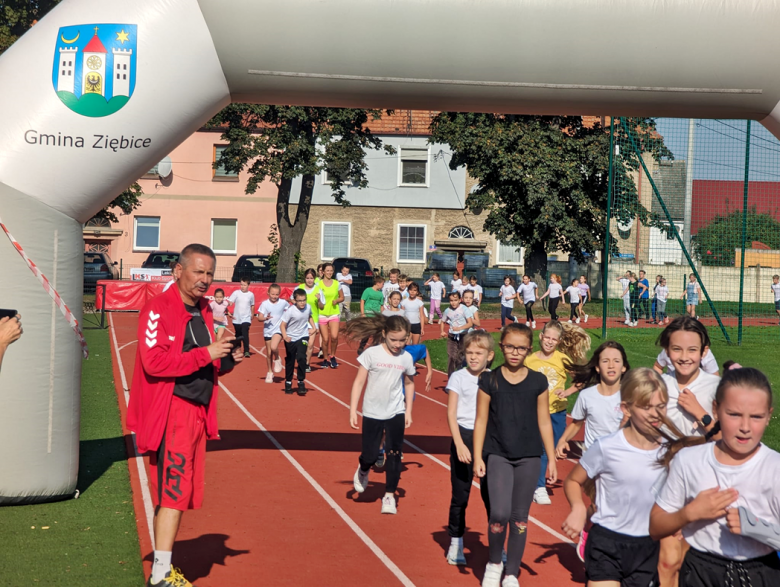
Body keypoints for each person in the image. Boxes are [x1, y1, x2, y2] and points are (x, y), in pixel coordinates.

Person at [127, 244, 244, 587]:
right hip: (171, 412)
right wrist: (207, 353)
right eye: (198, 271)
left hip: (196, 411)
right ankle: (161, 575)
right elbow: (155, 363)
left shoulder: (206, 310)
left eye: (209, 273)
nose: (205, 280)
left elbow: (206, 364)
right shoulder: (157, 309)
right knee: (174, 490)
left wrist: (227, 358)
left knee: (172, 492)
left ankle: (162, 566)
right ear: (178, 271)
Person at [650, 368, 780, 586]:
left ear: (768, 415)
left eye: (756, 417)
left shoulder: (775, 467)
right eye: (734, 414)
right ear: (716, 410)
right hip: (700, 571)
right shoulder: (688, 460)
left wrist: (759, 528)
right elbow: (655, 527)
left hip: (762, 573)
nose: (745, 427)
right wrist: (689, 513)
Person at [562, 368, 676, 587]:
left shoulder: (669, 451)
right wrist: (577, 508)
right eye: (645, 407)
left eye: (660, 406)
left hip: (648, 545)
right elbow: (573, 480)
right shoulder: (607, 447)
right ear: (627, 408)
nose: (654, 414)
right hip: (607, 541)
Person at [472, 323, 557, 587]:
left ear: (529, 349)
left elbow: (544, 421)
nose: (515, 352)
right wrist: (477, 457)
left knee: (519, 518)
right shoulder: (488, 380)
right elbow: (481, 420)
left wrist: (551, 459)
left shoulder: (538, 381)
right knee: (498, 513)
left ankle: (511, 572)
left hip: (529, 457)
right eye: (510, 346)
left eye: (521, 348)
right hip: (497, 454)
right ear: (501, 347)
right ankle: (495, 562)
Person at [556, 340, 629, 561]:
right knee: (600, 504)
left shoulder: (629, 395)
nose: (611, 365)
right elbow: (576, 423)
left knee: (618, 506)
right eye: (605, 361)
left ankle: (598, 529)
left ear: (624, 367)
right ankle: (589, 532)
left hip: (624, 459)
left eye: (616, 361)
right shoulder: (587, 396)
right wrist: (562, 441)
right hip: (594, 460)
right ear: (597, 367)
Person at [346, 315, 416, 515]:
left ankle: (389, 495)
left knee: (394, 455)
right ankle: (363, 469)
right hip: (372, 412)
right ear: (384, 334)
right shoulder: (372, 353)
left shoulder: (406, 357)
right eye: (394, 339)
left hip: (396, 411)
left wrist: (408, 410)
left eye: (402, 340)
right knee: (369, 455)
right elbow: (359, 381)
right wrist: (353, 410)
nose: (398, 344)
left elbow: (409, 382)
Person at [525, 320, 590, 505]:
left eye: (554, 339)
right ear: (541, 336)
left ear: (559, 341)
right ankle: (538, 487)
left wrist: (568, 391)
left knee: (550, 450)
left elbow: (581, 379)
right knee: (537, 449)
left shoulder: (562, 359)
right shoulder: (530, 360)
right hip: (535, 413)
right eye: (547, 337)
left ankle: (537, 484)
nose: (550, 342)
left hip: (556, 413)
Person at [445, 330, 494, 566]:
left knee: (492, 498)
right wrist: (459, 444)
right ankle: (456, 541)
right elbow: (451, 413)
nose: (474, 357)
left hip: (488, 440)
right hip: (463, 435)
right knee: (460, 495)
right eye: (470, 353)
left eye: (479, 353)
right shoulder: (458, 377)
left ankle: (496, 546)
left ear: (490, 355)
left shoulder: (495, 378)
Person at [280, 288, 316, 395]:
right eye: (300, 301)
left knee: (301, 357)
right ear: (294, 301)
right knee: (290, 360)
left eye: (304, 300)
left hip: (303, 336)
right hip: (291, 337)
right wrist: (285, 336)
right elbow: (282, 325)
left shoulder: (308, 307)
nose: (302, 303)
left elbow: (309, 316)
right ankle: (288, 382)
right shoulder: (290, 311)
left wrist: (313, 327)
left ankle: (301, 382)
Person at [256, 284, 289, 384]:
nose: (274, 296)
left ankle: (278, 358)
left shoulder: (283, 303)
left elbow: (289, 311)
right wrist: (265, 318)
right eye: (272, 294)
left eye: (277, 294)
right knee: (269, 353)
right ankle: (270, 372)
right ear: (268, 293)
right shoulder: (265, 304)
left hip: (278, 329)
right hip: (268, 330)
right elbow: (259, 318)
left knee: (274, 347)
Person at [317, 262, 344, 369]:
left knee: (334, 337)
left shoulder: (337, 283)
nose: (329, 272)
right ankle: (324, 359)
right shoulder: (318, 284)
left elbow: (342, 297)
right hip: (322, 314)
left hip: (333, 313)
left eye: (331, 271)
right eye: (327, 270)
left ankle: (332, 356)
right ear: (323, 272)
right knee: (325, 339)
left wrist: (337, 300)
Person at [440, 291, 474, 376]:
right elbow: (442, 321)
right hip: (452, 336)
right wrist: (442, 331)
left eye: (455, 300)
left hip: (463, 335)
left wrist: (459, 328)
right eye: (451, 300)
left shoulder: (464, 309)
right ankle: (451, 378)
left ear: (460, 300)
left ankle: (461, 370)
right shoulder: (447, 311)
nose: (453, 302)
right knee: (451, 357)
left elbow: (470, 323)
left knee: (461, 356)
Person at [297, 269, 322, 373]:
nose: (309, 280)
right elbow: (292, 299)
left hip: (313, 320)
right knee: (300, 343)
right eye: (307, 278)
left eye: (311, 278)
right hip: (300, 319)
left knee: (310, 344)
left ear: (314, 278)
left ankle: (307, 364)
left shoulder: (318, 289)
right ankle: (300, 359)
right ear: (305, 278)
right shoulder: (300, 288)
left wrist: (320, 299)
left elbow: (321, 306)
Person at [227, 278, 255, 357]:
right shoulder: (236, 293)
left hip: (246, 317)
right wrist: (230, 303)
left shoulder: (251, 294)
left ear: (248, 285)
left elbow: (252, 305)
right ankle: (237, 348)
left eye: (244, 285)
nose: (242, 286)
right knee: (238, 335)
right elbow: (230, 301)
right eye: (241, 284)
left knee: (245, 333)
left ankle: (246, 351)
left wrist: (252, 314)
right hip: (237, 318)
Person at [358, 276, 385, 354]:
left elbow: (381, 305)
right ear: (378, 283)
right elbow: (362, 301)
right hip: (367, 314)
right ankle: (361, 346)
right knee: (367, 333)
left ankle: (375, 347)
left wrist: (382, 315)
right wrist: (363, 313)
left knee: (376, 333)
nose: (383, 286)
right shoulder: (368, 290)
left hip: (376, 316)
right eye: (382, 284)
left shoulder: (380, 294)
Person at [654, 346, 719, 377]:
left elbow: (714, 378)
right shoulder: (669, 350)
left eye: (692, 350)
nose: (684, 358)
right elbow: (658, 367)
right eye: (677, 349)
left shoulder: (706, 354)